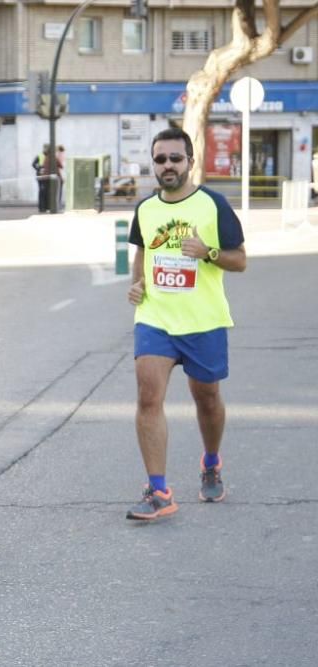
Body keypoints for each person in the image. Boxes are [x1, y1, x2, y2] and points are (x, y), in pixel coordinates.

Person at [125, 127, 247, 521]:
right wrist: (137, 285)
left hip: (203, 321)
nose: (167, 166)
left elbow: (240, 259)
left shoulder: (213, 205)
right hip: (156, 318)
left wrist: (208, 252)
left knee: (207, 398)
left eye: (175, 158)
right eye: (160, 159)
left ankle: (211, 461)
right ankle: (158, 490)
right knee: (148, 397)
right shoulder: (146, 209)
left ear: (190, 162)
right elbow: (142, 253)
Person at [32, 144, 50, 212]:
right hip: (40, 176)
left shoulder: (49, 156)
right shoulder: (39, 155)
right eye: (46, 148)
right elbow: (33, 164)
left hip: (47, 176)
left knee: (46, 192)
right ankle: (41, 208)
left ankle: (46, 207)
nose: (46, 150)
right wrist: (39, 168)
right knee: (42, 191)